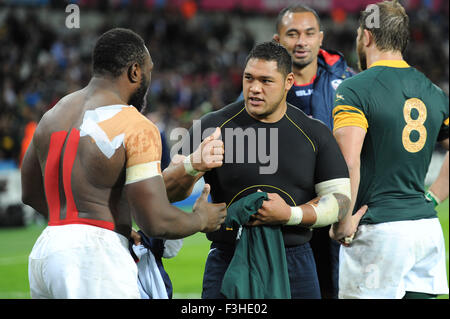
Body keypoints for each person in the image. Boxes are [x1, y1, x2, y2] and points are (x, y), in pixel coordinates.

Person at [20, 28, 227, 299]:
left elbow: (30, 193)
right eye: (148, 71)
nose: (148, 81)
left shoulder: (52, 115)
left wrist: (83, 225)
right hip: (93, 259)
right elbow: (155, 221)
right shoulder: (135, 125)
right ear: (134, 72)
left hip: (46, 251)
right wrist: (201, 219)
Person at [164, 41, 352, 299]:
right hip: (229, 258)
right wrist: (192, 164)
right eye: (249, 78)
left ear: (288, 82)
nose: (254, 88)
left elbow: (341, 200)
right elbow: (163, 191)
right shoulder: (212, 127)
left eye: (266, 81)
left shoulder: (315, 132)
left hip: (294, 262)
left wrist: (290, 214)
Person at [330, 0, 449, 299]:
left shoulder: (355, 89)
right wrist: (433, 196)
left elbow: (349, 161)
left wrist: (342, 222)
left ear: (367, 36)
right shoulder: (435, 93)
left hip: (378, 231)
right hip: (426, 229)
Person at [273, 5, 355, 298]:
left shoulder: (349, 84)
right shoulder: (261, 87)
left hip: (333, 212)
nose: (301, 42)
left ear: (321, 38)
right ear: (277, 40)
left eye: (309, 33)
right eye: (292, 34)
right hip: (283, 214)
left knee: (333, 289)